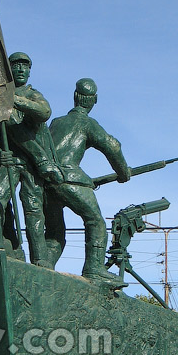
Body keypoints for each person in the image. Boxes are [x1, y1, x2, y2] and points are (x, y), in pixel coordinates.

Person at [0, 52, 62, 267]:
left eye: (25, 66)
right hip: (9, 162)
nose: (21, 70)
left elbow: (44, 112)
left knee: (33, 211)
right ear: (8, 70)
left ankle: (40, 260)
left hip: (33, 166)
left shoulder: (33, 95)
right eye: (16, 66)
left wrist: (12, 100)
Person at [45, 77, 130, 284]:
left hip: (45, 181)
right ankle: (94, 269)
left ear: (75, 97)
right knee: (96, 222)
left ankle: (43, 268)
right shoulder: (87, 123)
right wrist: (123, 172)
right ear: (95, 100)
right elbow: (113, 146)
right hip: (69, 179)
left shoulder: (56, 122)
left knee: (55, 234)